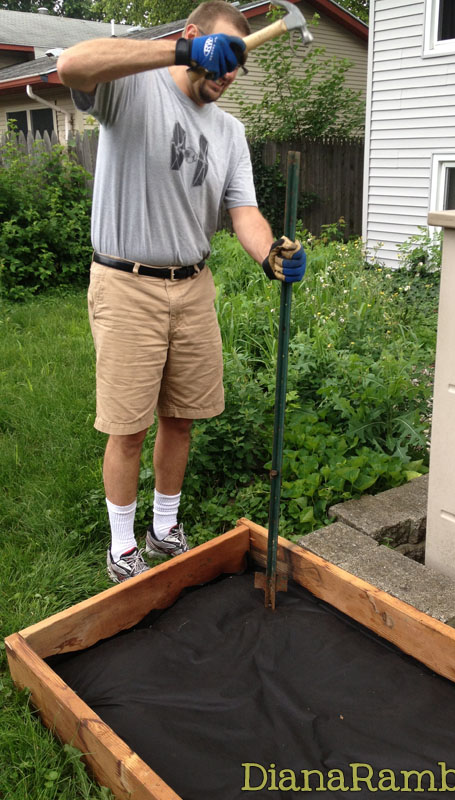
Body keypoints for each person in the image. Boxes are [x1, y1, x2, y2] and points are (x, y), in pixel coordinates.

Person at [56, 1, 306, 583]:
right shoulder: (132, 89)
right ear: (194, 38)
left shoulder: (229, 132)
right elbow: (72, 65)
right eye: (218, 57)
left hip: (193, 287)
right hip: (127, 284)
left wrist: (269, 253)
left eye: (235, 66)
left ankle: (164, 527)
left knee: (182, 419)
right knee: (129, 425)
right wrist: (177, 51)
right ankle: (122, 545)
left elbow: (243, 211)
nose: (226, 74)